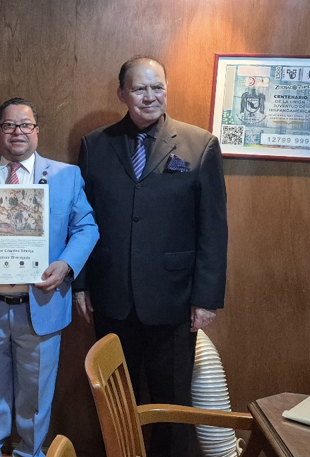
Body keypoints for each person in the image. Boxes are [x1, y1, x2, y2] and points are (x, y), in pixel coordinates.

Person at [74, 55, 228, 457]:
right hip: (111, 297)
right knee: (115, 402)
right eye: (139, 88)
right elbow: (82, 221)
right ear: (122, 93)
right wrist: (81, 285)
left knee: (172, 403)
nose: (149, 96)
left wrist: (206, 298)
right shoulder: (94, 145)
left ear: (167, 89)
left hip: (174, 300)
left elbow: (213, 228)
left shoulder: (201, 145)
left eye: (157, 87)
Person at [0, 97, 99, 457]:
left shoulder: (66, 176)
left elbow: (87, 228)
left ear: (37, 132)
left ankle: (31, 453)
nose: (18, 132)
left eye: (25, 125)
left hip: (40, 304)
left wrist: (66, 265)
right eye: (9, 125)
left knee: (36, 395)